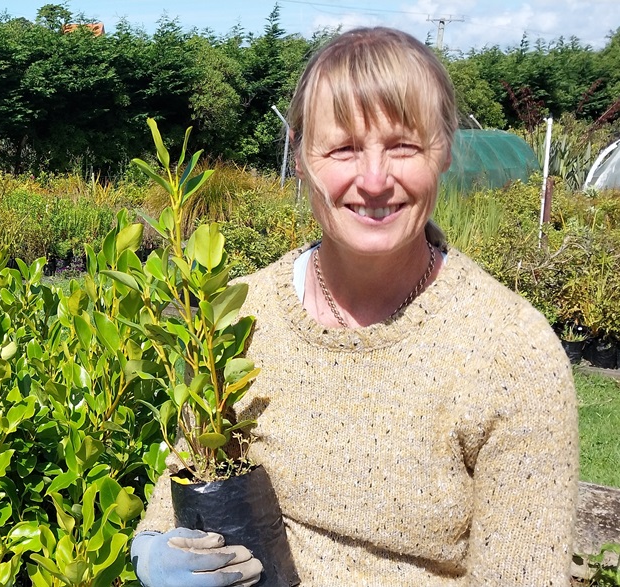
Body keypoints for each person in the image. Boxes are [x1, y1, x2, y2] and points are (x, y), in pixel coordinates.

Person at [130, 26, 578, 587]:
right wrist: (153, 546)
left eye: (403, 146)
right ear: (300, 158)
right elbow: (186, 477)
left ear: (442, 152)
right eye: (342, 148)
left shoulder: (512, 354)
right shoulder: (238, 319)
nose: (372, 180)